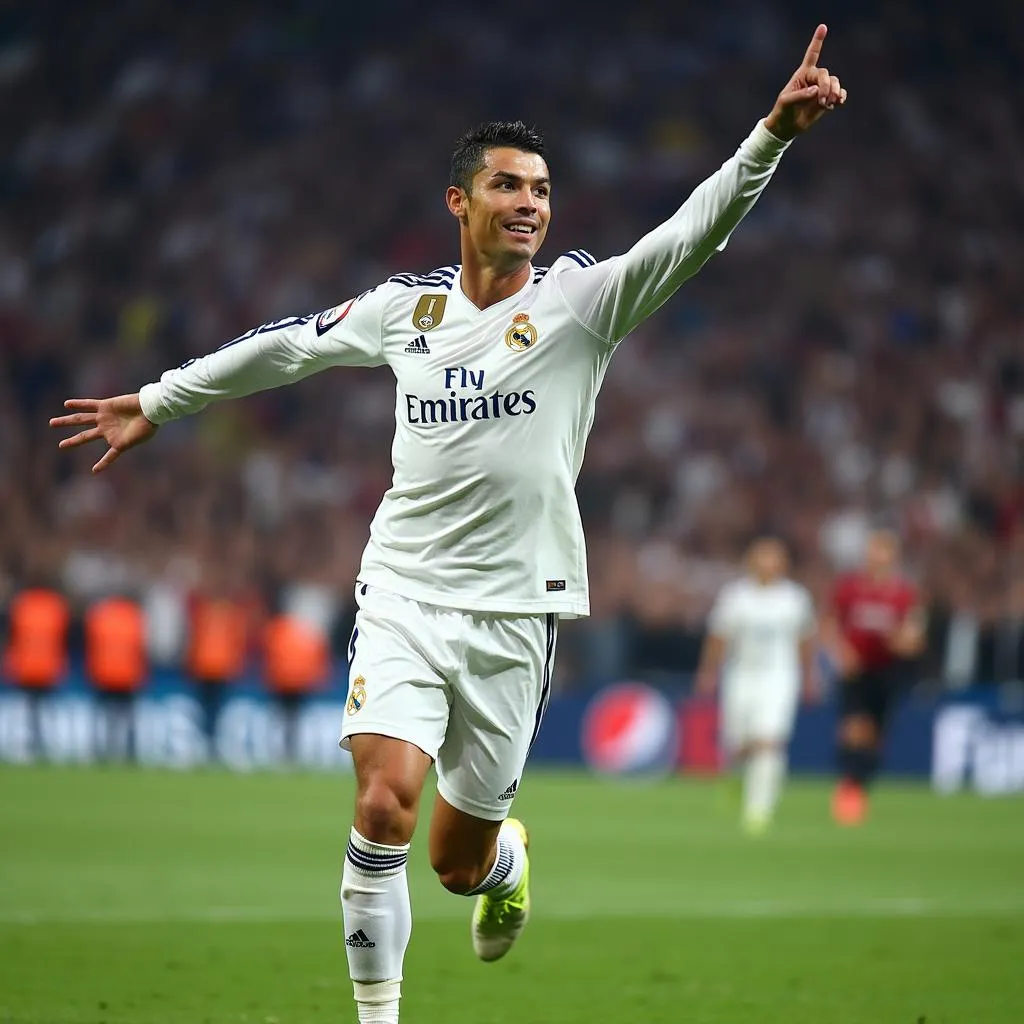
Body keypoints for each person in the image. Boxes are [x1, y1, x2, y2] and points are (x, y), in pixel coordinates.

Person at [51, 25, 846, 1023]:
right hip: (405, 591)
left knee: (455, 860)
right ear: (459, 201)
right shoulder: (404, 311)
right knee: (381, 801)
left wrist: (770, 134)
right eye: (510, 187)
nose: (530, 206)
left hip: (515, 614)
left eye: (542, 191)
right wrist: (159, 400)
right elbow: (286, 349)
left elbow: (693, 234)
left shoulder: (582, 303)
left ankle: (506, 855)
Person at [696, 538, 818, 832]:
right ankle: (736, 779)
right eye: (762, 558)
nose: (767, 564)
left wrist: (810, 676)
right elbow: (718, 638)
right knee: (737, 743)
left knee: (769, 739)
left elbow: (805, 641)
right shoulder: (736, 596)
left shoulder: (795, 599)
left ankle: (759, 810)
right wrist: (708, 671)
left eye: (773, 558)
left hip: (779, 677)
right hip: (741, 675)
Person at [825, 529, 925, 826]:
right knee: (854, 727)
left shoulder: (904, 594)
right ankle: (848, 787)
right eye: (873, 551)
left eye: (884, 552)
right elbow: (829, 625)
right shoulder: (848, 589)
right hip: (855, 670)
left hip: (886, 672)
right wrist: (841, 653)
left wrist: (904, 640)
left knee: (874, 735)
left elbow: (914, 634)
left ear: (893, 557)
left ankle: (860, 785)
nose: (877, 558)